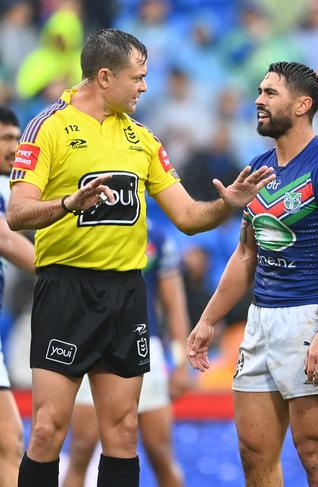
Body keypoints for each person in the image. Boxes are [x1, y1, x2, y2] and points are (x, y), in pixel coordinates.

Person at [7, 28, 274, 487]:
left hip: (126, 293)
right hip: (65, 289)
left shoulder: (142, 138)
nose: (145, 87)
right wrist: (68, 204)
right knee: (49, 428)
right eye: (138, 77)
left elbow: (188, 216)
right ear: (105, 77)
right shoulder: (47, 126)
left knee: (125, 430)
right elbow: (17, 213)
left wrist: (227, 205)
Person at [186, 61, 318, 486]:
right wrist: (208, 320)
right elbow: (245, 255)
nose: (258, 100)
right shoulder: (258, 168)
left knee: (315, 454)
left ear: (302, 105)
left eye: (270, 93)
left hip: (310, 318)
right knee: (253, 455)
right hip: (261, 319)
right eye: (259, 91)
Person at [63, 219, 191, 486]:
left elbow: (174, 306)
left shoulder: (154, 236)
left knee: (160, 453)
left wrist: (180, 363)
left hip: (145, 347)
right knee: (82, 449)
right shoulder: (84, 226)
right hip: (91, 346)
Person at [0, 106, 36, 487]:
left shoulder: (11, 189)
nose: (15, 146)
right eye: (6, 138)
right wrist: (61, 267)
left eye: (17, 137)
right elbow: (6, 238)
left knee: (9, 442)